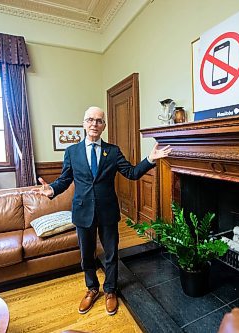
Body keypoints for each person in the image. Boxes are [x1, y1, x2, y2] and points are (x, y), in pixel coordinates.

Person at [33, 106, 171, 316]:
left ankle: (110, 290)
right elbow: (65, 179)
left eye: (99, 121)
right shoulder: (72, 152)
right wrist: (51, 189)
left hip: (107, 211)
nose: (94, 124)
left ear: (104, 126)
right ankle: (92, 288)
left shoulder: (113, 151)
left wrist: (150, 159)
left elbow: (132, 173)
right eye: (90, 119)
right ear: (84, 123)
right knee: (86, 255)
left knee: (111, 254)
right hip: (82, 211)